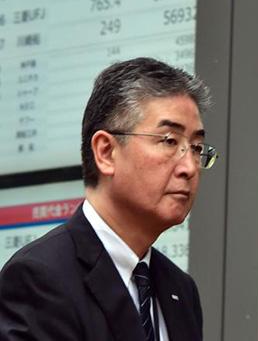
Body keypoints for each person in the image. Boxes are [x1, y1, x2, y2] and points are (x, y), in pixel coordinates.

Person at [0, 57, 216, 340]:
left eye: (197, 148)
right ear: (105, 152)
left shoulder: (181, 289)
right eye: (169, 141)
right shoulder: (41, 276)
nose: (189, 167)